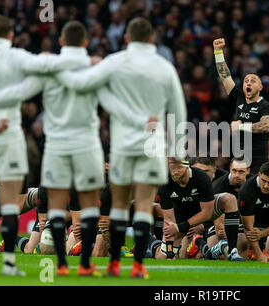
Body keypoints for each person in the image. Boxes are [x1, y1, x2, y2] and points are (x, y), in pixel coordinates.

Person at [53, 17, 187, 279]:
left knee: (118, 207)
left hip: (124, 145)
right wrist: (178, 152)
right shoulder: (164, 67)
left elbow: (84, 85)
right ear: (151, 39)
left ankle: (114, 264)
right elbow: (179, 110)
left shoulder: (114, 62)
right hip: (152, 144)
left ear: (126, 38)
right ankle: (137, 265)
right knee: (145, 205)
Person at [0, 21, 108, 277]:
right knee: (88, 204)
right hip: (85, 144)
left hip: (48, 145)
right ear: (86, 42)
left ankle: (59, 265)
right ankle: (82, 265)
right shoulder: (94, 68)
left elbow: (21, 90)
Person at [151, 158, 244, 261]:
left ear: (187, 166)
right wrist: (169, 253)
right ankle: (150, 241)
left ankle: (232, 250)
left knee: (229, 199)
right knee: (163, 257)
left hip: (201, 214)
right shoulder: (164, 181)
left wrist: (183, 226)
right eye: (172, 168)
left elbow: (207, 214)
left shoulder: (201, 177)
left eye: (179, 168)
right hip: (180, 219)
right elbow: (169, 220)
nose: (175, 171)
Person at [213, 38, 269, 174]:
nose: (248, 82)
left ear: (260, 87)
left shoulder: (266, 106)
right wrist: (218, 52)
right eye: (246, 80)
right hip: (238, 159)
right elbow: (225, 76)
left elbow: (267, 126)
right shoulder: (239, 97)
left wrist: (240, 126)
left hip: (257, 163)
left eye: (253, 81)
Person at [187, 156, 250, 259]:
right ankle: (200, 243)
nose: (237, 175)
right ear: (230, 169)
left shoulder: (252, 184)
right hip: (211, 219)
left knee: (243, 243)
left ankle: (201, 244)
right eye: (234, 171)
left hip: (238, 219)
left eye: (241, 172)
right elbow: (217, 220)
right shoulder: (217, 186)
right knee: (219, 256)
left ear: (248, 171)